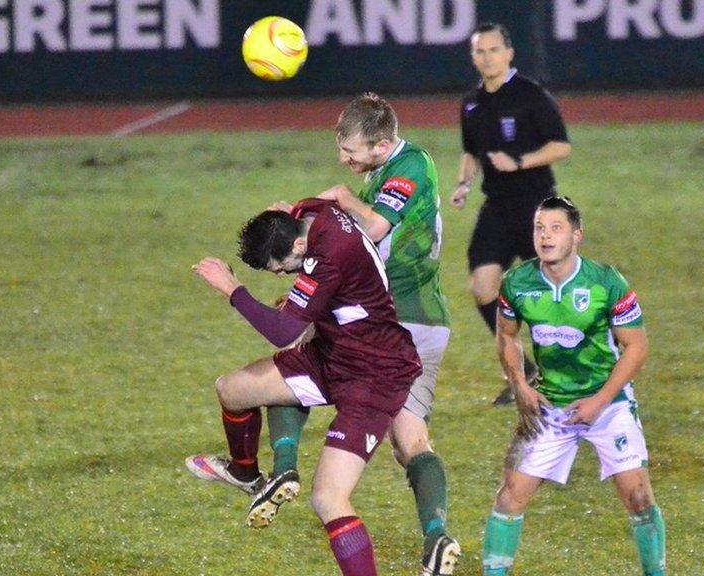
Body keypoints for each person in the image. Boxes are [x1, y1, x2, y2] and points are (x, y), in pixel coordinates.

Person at [266, 93, 460, 575]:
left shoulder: (409, 166)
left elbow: (369, 227)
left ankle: (282, 466)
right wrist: (302, 218)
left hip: (400, 321)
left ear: (382, 144)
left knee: (297, 358)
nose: (344, 159)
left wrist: (340, 197)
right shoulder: (387, 168)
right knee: (410, 442)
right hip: (407, 318)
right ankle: (436, 537)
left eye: (351, 152)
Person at [187, 205, 421, 576]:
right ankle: (245, 473)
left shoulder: (331, 256)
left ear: (299, 243)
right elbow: (287, 210)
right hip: (331, 354)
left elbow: (284, 331)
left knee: (328, 499)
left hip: (374, 376)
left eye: (280, 265)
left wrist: (232, 288)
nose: (279, 273)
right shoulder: (311, 213)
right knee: (232, 390)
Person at [480, 197, 666, 576]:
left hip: (608, 402)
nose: (545, 236)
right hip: (550, 404)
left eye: (556, 228)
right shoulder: (517, 283)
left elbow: (637, 347)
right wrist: (519, 384)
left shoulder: (605, 282)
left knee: (639, 497)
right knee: (510, 496)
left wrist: (600, 401)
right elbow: (508, 337)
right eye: (539, 228)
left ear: (576, 236)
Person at [451, 22, 572, 406]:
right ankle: (521, 374)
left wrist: (519, 161)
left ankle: (571, 370)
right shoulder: (471, 103)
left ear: (509, 54)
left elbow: (561, 147)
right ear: (473, 57)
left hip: (537, 207)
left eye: (493, 50)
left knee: (552, 295)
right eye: (479, 51)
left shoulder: (531, 96)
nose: (486, 57)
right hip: (497, 208)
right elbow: (471, 152)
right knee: (483, 286)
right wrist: (464, 184)